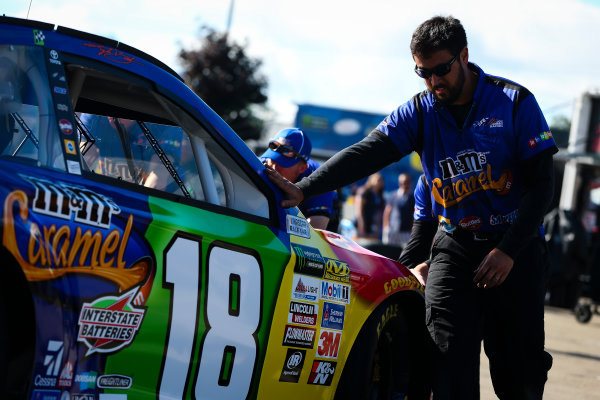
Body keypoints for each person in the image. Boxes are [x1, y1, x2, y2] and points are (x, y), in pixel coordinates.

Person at [265, 15, 557, 399]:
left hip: (515, 247)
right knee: (447, 368)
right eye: (423, 73)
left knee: (519, 375)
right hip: (456, 244)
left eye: (441, 70)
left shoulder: (514, 102)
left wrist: (507, 251)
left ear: (464, 56)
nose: (434, 81)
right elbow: (366, 153)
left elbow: (543, 186)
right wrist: (303, 189)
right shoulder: (420, 111)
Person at [261, 128, 335, 230]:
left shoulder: (319, 181)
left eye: (282, 164)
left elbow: (315, 231)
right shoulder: (261, 163)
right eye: (272, 160)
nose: (273, 169)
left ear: (302, 168)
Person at [382, 173, 415, 248]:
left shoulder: (413, 197)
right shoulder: (393, 195)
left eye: (406, 182)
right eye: (402, 182)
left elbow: (414, 214)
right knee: (389, 250)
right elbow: (387, 211)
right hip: (392, 229)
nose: (404, 184)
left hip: (406, 230)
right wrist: (386, 227)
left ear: (410, 183)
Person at [354, 172, 385, 245]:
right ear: (371, 180)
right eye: (378, 180)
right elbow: (358, 209)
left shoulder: (380, 196)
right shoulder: (364, 191)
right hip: (362, 225)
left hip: (372, 226)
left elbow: (379, 213)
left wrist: (377, 228)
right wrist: (361, 224)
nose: (380, 182)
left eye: (381, 180)